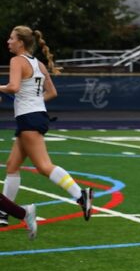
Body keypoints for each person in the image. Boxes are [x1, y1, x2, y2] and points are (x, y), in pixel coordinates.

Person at [0, 26, 93, 226]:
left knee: (43, 166)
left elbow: (14, 87)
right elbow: (52, 93)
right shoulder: (39, 64)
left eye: (11, 38)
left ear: (20, 42)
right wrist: (33, 102)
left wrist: (16, 96)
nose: (8, 42)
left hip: (29, 118)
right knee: (12, 166)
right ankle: (3, 213)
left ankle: (80, 195)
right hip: (36, 116)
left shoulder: (17, 61)